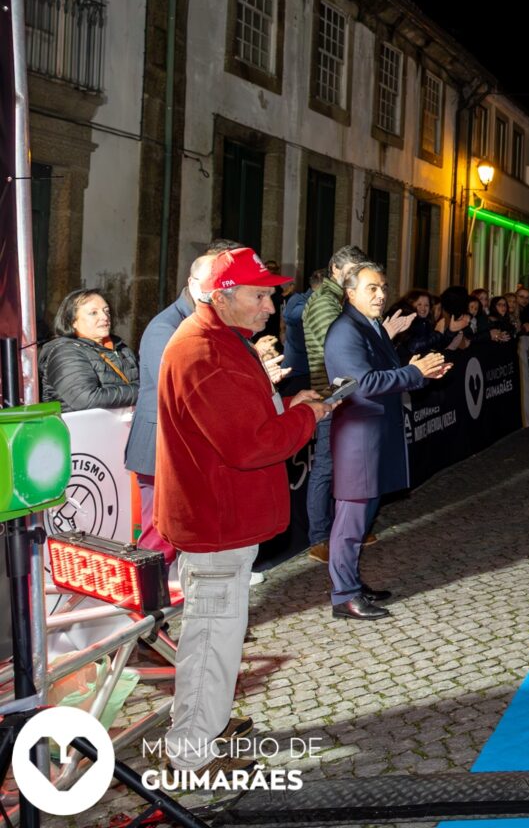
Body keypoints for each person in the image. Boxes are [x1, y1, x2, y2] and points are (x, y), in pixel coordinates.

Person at [156, 247, 330, 777]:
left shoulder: (220, 341)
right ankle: (191, 751)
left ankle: (203, 728)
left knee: (217, 634)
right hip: (216, 522)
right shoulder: (203, 352)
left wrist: (290, 405)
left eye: (272, 294)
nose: (270, 306)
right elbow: (250, 444)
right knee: (211, 637)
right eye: (260, 295)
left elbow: (242, 421)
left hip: (221, 517)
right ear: (223, 296)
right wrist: (310, 417)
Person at [323, 263, 450, 620]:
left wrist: (423, 372)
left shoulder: (370, 326)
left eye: (383, 287)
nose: (381, 295)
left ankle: (351, 583)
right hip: (358, 437)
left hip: (374, 435)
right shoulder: (345, 331)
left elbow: (389, 375)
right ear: (350, 293)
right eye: (372, 289)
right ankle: (343, 596)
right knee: (350, 523)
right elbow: (361, 383)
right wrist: (414, 372)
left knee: (362, 520)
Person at [302, 246, 411, 563]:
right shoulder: (327, 304)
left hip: (345, 396)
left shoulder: (342, 305)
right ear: (337, 270)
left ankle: (345, 535)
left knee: (350, 478)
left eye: (380, 286)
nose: (377, 293)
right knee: (326, 470)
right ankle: (321, 538)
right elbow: (341, 353)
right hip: (332, 395)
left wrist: (381, 336)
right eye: (357, 271)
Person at [124, 248, 223, 562]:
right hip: (159, 445)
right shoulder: (165, 326)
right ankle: (146, 603)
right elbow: (175, 387)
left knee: (178, 527)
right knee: (158, 532)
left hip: (181, 443)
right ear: (194, 285)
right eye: (217, 285)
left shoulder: (203, 320)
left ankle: (163, 594)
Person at [40, 289, 140, 413]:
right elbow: (86, 399)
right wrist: (143, 391)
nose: (105, 317)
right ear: (73, 322)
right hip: (79, 429)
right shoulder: (65, 352)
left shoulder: (121, 348)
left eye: (106, 311)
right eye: (93, 313)